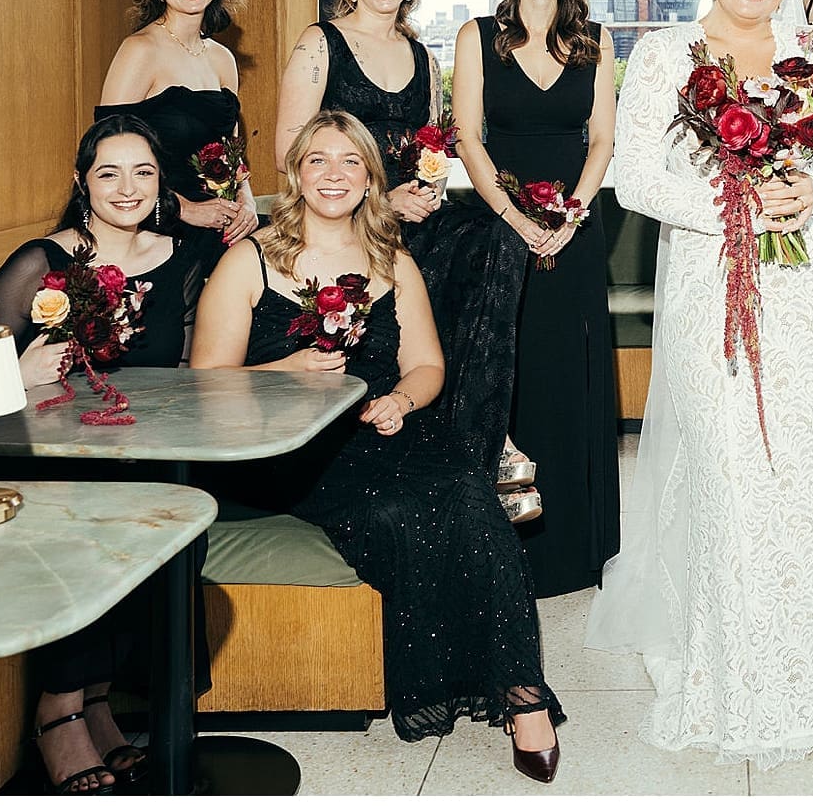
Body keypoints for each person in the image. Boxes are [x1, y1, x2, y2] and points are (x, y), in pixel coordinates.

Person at [586, 0, 813, 767]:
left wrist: (811, 195)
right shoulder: (663, 56)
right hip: (716, 285)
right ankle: (731, 681)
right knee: (732, 476)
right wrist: (736, 205)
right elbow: (636, 180)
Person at [191, 111, 564, 781]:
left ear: (369, 180)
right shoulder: (249, 262)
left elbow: (427, 366)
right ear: (297, 176)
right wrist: (286, 370)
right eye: (318, 162)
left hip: (383, 430)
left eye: (350, 163)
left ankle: (523, 698)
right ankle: (445, 682)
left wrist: (400, 401)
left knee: (468, 491)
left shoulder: (393, 260)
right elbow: (204, 384)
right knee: (398, 514)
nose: (333, 175)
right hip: (288, 452)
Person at [0, 114, 207, 792]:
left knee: (168, 516)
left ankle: (96, 700)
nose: (127, 188)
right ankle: (58, 710)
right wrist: (15, 372)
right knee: (90, 519)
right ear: (83, 183)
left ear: (161, 183)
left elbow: (194, 374)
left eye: (143, 172)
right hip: (47, 455)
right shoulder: (42, 260)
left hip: (142, 447)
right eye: (109, 173)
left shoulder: (182, 260)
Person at [272, 0, 533, 518]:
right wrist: (376, 198)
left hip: (408, 217)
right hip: (342, 216)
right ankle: (459, 437)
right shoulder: (321, 42)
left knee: (498, 240)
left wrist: (424, 189)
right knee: (425, 264)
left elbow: (431, 153)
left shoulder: (424, 56)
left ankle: (482, 437)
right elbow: (289, 147)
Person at [451, 0, 620, 596]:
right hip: (501, 226)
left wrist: (572, 217)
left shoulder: (597, 41)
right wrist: (515, 221)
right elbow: (467, 137)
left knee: (570, 377)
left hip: (576, 234)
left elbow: (603, 140)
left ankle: (579, 550)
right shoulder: (476, 37)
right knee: (508, 378)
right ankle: (508, 550)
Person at [96, 0, 258, 263]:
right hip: (155, 219)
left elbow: (231, 154)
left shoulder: (221, 58)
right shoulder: (139, 50)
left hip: (218, 217)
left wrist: (247, 201)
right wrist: (185, 209)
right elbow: (104, 157)